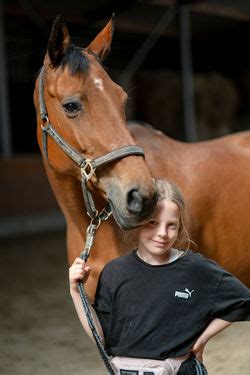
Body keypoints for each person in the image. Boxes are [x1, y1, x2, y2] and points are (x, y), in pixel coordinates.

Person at [69, 179, 250, 374]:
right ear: (137, 222)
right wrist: (75, 292)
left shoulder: (197, 269)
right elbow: (101, 336)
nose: (162, 233)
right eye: (153, 223)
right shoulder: (114, 272)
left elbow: (244, 301)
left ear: (180, 227)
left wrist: (201, 340)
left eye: (171, 225)